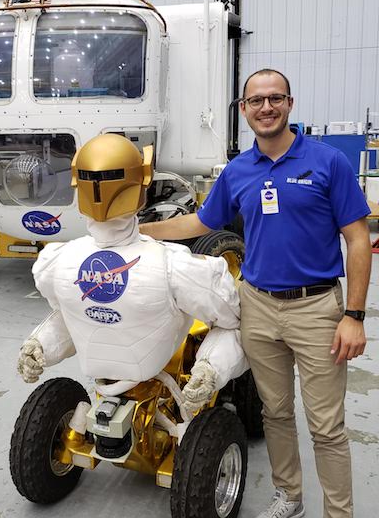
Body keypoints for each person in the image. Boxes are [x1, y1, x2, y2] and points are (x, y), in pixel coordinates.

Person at [140, 69, 372, 518]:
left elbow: (358, 240)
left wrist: (355, 316)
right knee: (275, 412)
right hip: (258, 307)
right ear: (243, 110)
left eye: (275, 98)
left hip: (317, 308)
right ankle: (290, 496)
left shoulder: (327, 163)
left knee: (326, 427)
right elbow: (202, 223)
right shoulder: (239, 171)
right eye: (256, 100)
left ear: (289, 104)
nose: (266, 107)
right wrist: (140, 232)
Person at [17, 133, 248, 416]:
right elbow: (230, 313)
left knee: (73, 309)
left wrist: (41, 344)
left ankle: (37, 347)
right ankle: (206, 372)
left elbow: (65, 311)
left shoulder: (56, 261)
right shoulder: (173, 265)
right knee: (239, 322)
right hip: (155, 359)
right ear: (141, 186)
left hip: (96, 363)